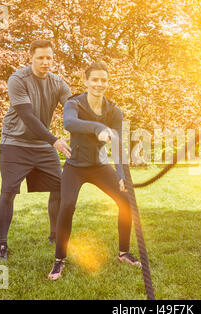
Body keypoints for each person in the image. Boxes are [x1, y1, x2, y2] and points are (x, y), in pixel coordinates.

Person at [48, 62, 140, 280]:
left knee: (125, 201)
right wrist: (98, 128)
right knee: (67, 205)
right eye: (95, 80)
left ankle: (124, 252)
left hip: (100, 166)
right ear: (86, 81)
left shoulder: (114, 111)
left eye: (104, 80)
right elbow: (69, 123)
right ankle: (59, 259)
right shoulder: (74, 104)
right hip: (75, 167)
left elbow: (117, 144)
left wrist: (121, 175)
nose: (100, 84)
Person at [0, 40, 72, 261]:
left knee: (60, 186)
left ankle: (55, 235)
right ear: (31, 57)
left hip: (41, 145)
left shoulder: (58, 83)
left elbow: (72, 109)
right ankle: (2, 245)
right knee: (8, 191)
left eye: (49, 57)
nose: (45, 62)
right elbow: (28, 116)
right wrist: (54, 140)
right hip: (14, 143)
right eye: (40, 57)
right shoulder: (18, 79)